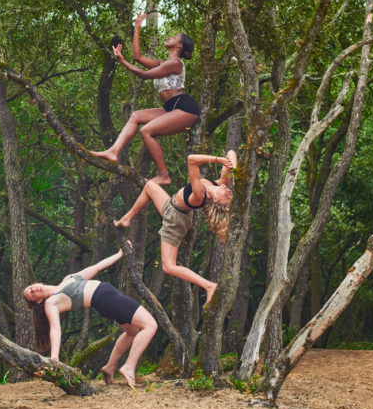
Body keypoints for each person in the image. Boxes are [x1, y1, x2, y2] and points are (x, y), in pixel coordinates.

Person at [114, 150, 237, 306]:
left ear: (215, 202)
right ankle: (126, 219)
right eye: (229, 194)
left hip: (175, 219)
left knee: (168, 266)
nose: (228, 192)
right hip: (172, 205)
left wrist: (217, 159)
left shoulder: (201, 194)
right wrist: (235, 170)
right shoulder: (220, 185)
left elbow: (192, 160)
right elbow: (231, 152)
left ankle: (209, 285)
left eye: (226, 197)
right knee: (150, 186)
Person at [24, 245, 157, 388]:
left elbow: (97, 267)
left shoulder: (67, 279)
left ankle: (109, 367)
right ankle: (129, 367)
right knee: (150, 325)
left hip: (109, 298)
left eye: (31, 287)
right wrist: (54, 356)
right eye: (32, 294)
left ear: (37, 283)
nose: (33, 290)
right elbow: (55, 328)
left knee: (131, 332)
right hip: (106, 300)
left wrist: (120, 253)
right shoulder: (51, 302)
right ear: (38, 300)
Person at [92, 13, 199, 185]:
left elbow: (143, 75)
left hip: (185, 109)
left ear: (178, 45)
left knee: (146, 130)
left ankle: (164, 175)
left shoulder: (175, 63)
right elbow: (139, 58)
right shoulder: (162, 63)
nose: (169, 37)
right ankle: (113, 151)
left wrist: (121, 60)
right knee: (136, 116)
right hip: (172, 108)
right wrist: (137, 28)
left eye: (173, 37)